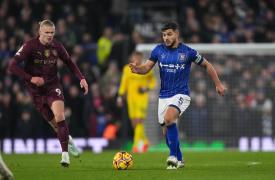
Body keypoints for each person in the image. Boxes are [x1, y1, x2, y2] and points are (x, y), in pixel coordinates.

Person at [129, 22, 226, 169]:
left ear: (177, 34)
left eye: (169, 34)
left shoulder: (188, 52)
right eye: (163, 35)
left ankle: (172, 157)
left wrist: (218, 84)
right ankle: (180, 159)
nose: (166, 38)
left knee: (169, 118)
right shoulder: (158, 50)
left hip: (181, 94)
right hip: (164, 96)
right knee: (166, 132)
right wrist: (138, 69)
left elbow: (207, 65)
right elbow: (146, 67)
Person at [8, 19, 89, 167]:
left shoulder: (57, 46)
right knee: (56, 125)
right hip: (36, 92)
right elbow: (12, 66)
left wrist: (81, 78)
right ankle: (68, 139)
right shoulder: (29, 46)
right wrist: (31, 78)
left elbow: (69, 62)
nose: (49, 36)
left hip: (53, 86)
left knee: (60, 116)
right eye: (46, 33)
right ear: (40, 32)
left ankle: (65, 155)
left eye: (52, 33)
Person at [117, 51, 156, 153]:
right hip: (131, 99)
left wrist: (146, 88)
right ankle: (145, 141)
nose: (136, 59)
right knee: (134, 123)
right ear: (132, 57)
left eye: (138, 57)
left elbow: (153, 83)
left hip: (142, 98)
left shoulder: (145, 68)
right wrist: (120, 96)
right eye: (134, 56)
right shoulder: (127, 69)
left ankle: (135, 145)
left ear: (141, 58)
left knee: (139, 120)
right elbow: (123, 83)